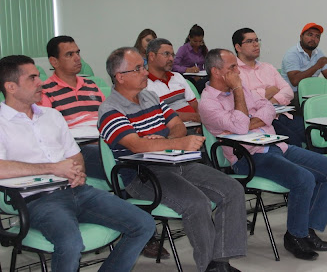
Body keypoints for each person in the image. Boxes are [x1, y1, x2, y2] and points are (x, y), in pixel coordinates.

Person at [0, 55, 156, 272]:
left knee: (144, 224)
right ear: (11, 87)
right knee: (70, 243)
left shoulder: (52, 116)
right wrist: (53, 168)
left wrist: (78, 171)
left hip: (77, 190)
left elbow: (74, 155)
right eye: (32, 78)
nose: (40, 82)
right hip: (37, 200)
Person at [98, 47, 247, 272]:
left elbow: (177, 124)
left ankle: (221, 261)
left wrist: (167, 141)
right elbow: (136, 145)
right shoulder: (110, 109)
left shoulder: (150, 96)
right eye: (138, 69)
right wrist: (176, 143)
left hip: (176, 162)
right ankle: (210, 266)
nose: (145, 72)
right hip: (143, 175)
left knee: (232, 189)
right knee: (197, 203)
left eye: (143, 67)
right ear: (120, 77)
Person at [200, 49, 327, 261]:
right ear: (216, 71)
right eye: (232, 67)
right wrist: (238, 92)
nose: (238, 71)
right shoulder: (208, 103)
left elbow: (268, 107)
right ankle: (295, 236)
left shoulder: (242, 88)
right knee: (304, 179)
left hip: (276, 145)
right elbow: (240, 127)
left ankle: (307, 229)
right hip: (248, 157)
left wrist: (251, 121)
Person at [40, 36, 105, 180]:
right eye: (70, 54)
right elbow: (49, 133)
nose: (77, 58)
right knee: (112, 158)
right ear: (54, 61)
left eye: (77, 52)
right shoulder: (45, 91)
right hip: (78, 149)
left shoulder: (91, 85)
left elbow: (108, 116)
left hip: (104, 140)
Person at [232, 28, 305, 147]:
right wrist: (271, 91)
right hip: (260, 121)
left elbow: (288, 91)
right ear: (238, 47)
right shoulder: (234, 72)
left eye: (256, 40)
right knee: (295, 142)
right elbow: (246, 99)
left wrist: (269, 102)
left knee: (314, 133)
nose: (256, 44)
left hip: (282, 115)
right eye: (250, 41)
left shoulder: (268, 67)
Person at [146, 38, 201, 132]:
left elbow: (194, 104)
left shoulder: (177, 77)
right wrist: (190, 116)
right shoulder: (144, 85)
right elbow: (156, 115)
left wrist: (200, 124)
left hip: (195, 127)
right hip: (171, 133)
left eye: (172, 55)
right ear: (152, 56)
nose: (171, 59)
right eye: (166, 54)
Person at [280, 23, 327, 109]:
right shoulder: (292, 54)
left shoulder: (318, 52)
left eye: (317, 36)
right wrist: (317, 66)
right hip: (293, 95)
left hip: (311, 93)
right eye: (310, 35)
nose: (313, 39)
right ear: (301, 37)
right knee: (318, 107)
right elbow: (295, 81)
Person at [174, 24, 209, 93]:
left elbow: (207, 64)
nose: (198, 44)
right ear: (190, 38)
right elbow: (174, 66)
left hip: (201, 77)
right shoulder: (183, 49)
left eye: (200, 41)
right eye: (195, 41)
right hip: (188, 78)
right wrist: (187, 69)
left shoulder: (203, 49)